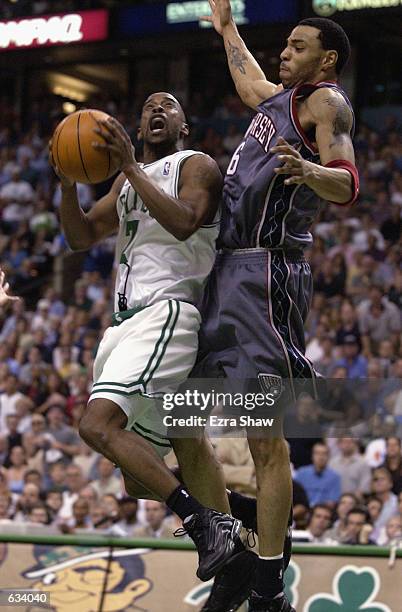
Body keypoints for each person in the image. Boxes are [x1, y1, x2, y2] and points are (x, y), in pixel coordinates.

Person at [196, 3, 358, 609]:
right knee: (183, 427)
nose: (284, 52)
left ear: (327, 59)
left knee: (266, 441)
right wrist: (228, 28)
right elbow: (248, 81)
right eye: (283, 45)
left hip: (265, 273)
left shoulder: (325, 104)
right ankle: (238, 541)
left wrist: (312, 170)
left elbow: (347, 183)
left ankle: (267, 588)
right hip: (226, 269)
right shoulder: (276, 102)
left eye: (296, 45)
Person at [50, 91, 242, 583]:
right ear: (136, 129)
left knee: (96, 426)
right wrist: (69, 184)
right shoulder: (125, 183)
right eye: (149, 106)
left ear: (184, 125)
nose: (157, 109)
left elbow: (184, 223)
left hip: (168, 313)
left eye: (169, 104)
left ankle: (203, 522)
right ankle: (233, 522)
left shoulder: (195, 164)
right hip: (124, 325)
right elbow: (80, 236)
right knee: (138, 479)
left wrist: (132, 168)